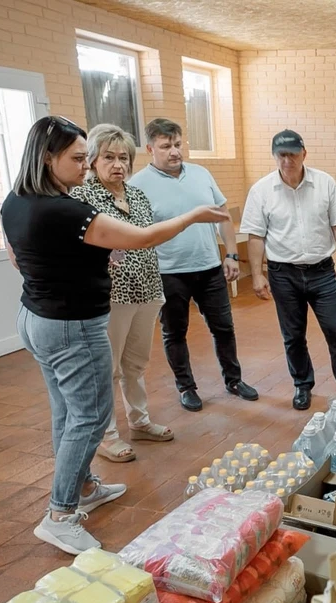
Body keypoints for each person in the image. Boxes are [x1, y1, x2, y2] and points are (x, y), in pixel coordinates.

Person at [2, 115, 229, 554]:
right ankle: (60, 513)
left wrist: (62, 271)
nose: (85, 166)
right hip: (71, 326)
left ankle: (84, 485)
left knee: (66, 411)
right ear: (48, 159)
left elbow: (20, 256)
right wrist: (195, 216)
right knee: (88, 416)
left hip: (36, 316)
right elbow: (143, 238)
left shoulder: (16, 200)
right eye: (77, 158)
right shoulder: (66, 209)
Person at [130, 118, 258, 412]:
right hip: (168, 272)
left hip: (209, 268)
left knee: (223, 328)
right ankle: (186, 387)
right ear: (150, 148)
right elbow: (138, 233)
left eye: (178, 144)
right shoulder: (137, 185)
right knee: (174, 332)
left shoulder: (201, 174)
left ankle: (234, 380)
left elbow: (222, 215)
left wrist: (230, 254)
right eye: (166, 146)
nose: (174, 151)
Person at [70, 124, 172, 463]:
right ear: (93, 160)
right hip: (111, 296)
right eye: (110, 157)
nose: (118, 164)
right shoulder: (82, 197)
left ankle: (139, 422)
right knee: (108, 369)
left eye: (124, 158)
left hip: (147, 289)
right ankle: (107, 435)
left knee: (136, 363)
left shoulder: (138, 195)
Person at [241, 130, 336, 411]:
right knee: (293, 335)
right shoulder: (261, 191)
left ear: (304, 153)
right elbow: (255, 236)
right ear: (274, 157)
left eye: (293, 154)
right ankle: (302, 385)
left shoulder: (325, 183)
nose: (287, 160)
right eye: (281, 155)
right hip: (283, 274)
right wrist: (257, 275)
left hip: (321, 272)